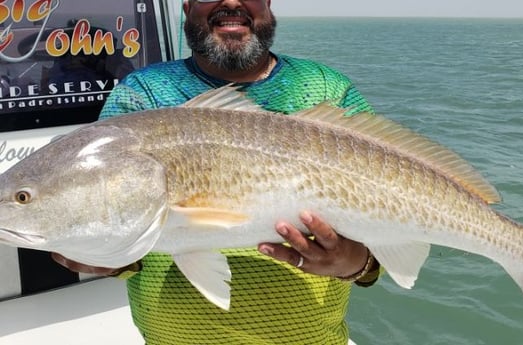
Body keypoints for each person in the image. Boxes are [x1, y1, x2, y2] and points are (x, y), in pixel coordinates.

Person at [53, 0, 381, 344]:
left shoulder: (326, 90)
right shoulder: (142, 94)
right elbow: (121, 229)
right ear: (187, 6)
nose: (230, 1)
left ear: (268, 3)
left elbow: (398, 206)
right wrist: (108, 258)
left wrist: (358, 263)